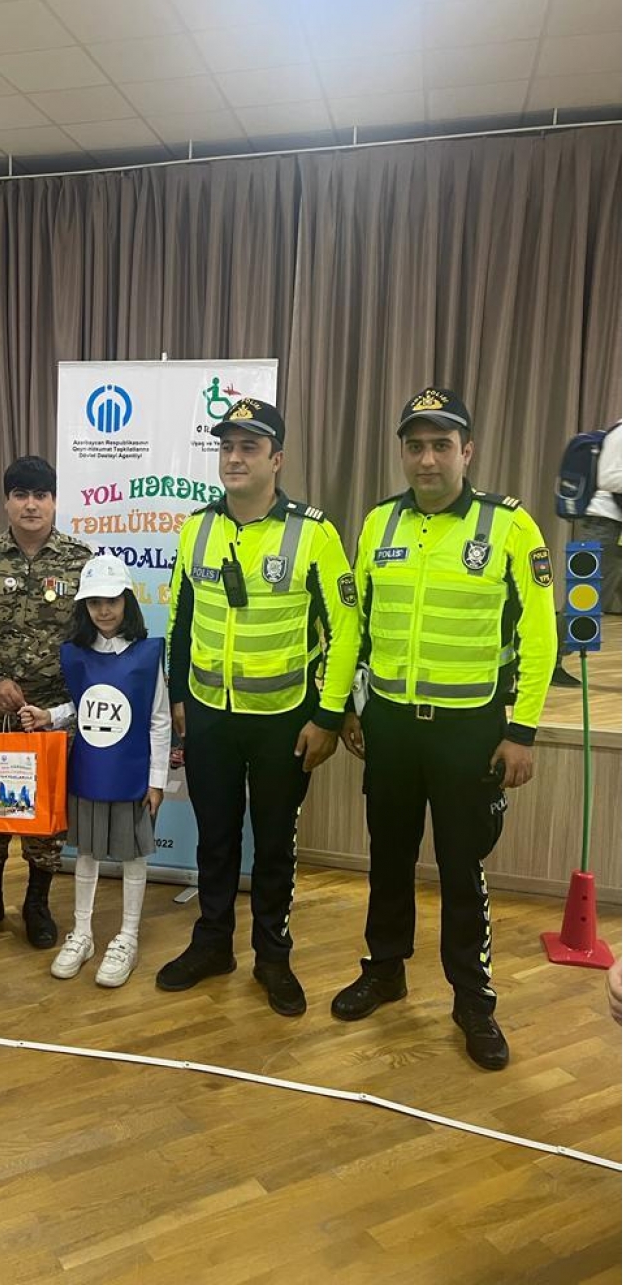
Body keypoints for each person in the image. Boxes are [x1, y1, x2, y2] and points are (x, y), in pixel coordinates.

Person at [333, 388, 558, 1070]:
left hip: (470, 733)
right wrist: (346, 705)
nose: (427, 459)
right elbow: (356, 627)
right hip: (392, 727)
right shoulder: (379, 523)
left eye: (441, 445)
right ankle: (385, 971)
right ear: (402, 453)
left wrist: (522, 730)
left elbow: (540, 636)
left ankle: (473, 999)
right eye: (415, 446)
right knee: (388, 859)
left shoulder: (510, 526)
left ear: (468, 451)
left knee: (463, 869)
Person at [157, 399, 361, 1016]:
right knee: (214, 840)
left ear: (277, 459)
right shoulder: (197, 528)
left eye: (249, 447)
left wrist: (327, 717)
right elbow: (179, 620)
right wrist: (179, 695)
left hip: (284, 722)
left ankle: (273, 957)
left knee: (273, 846)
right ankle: (213, 944)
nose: (235, 457)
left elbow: (345, 631)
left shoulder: (313, 533)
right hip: (210, 716)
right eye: (227, 446)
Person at [0, 456, 92, 951]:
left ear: (54, 501)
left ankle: (37, 904)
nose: (31, 505)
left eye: (41, 495)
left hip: (50, 717)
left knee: (45, 819)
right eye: (21, 495)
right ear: (6, 501)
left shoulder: (79, 560)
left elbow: (95, 631)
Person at [19, 555, 170, 988]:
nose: (104, 611)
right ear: (83, 607)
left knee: (133, 855)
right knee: (85, 852)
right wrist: (50, 715)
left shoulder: (147, 655)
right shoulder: (77, 655)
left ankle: (128, 935)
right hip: (89, 771)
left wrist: (157, 780)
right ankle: (82, 932)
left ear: (127, 602)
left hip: (131, 775)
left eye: (112, 601)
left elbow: (159, 720)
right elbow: (84, 704)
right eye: (94, 603)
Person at [551, 420, 621, 686]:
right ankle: (547, 660)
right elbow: (609, 477)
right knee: (585, 600)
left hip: (615, 528)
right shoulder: (621, 433)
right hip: (605, 526)